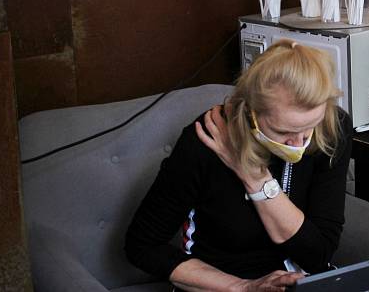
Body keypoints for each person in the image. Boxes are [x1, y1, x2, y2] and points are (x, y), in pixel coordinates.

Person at [125, 40, 352, 291]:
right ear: (251, 113)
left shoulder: (332, 128)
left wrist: (254, 178)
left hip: (302, 281)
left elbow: (318, 255)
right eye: (284, 131)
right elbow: (142, 246)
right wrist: (243, 287)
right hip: (224, 284)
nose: (299, 142)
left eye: (310, 126)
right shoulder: (204, 141)